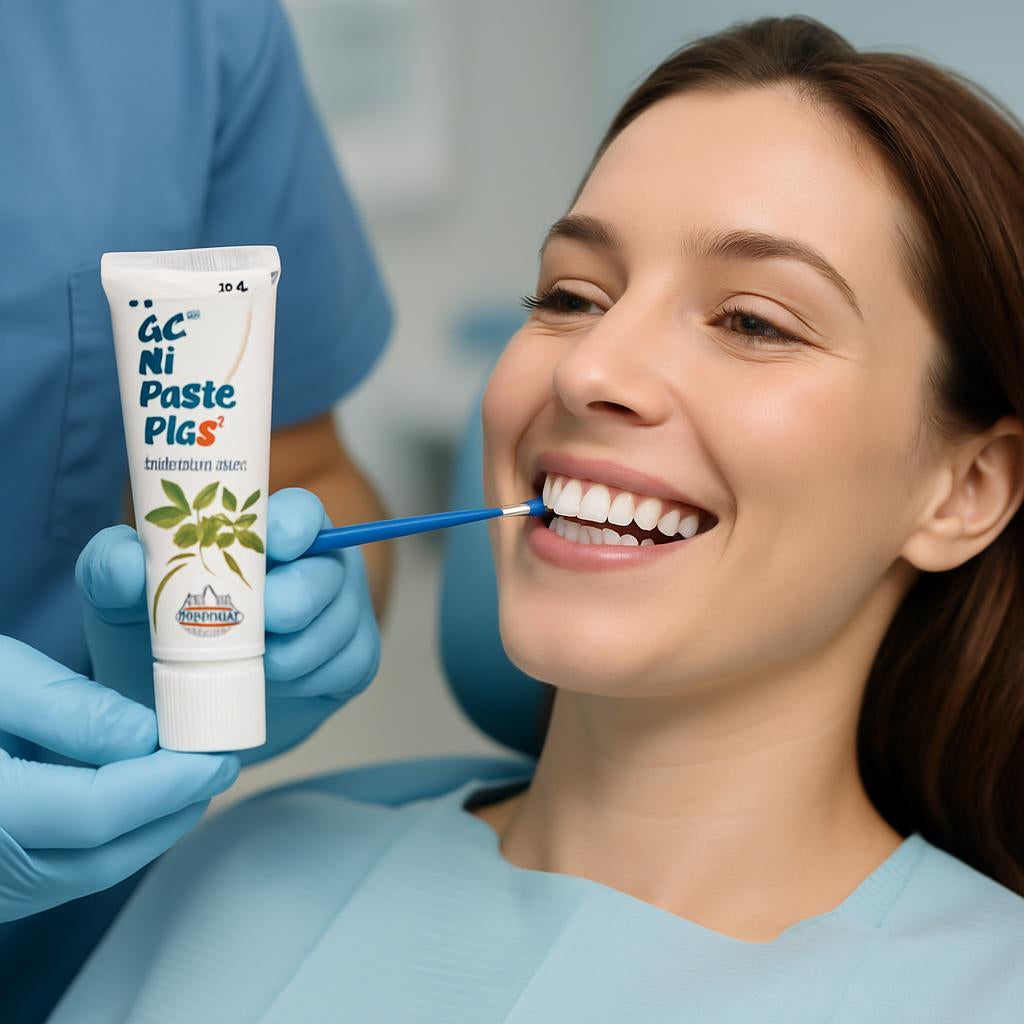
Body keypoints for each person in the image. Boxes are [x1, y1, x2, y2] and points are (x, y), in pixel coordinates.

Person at [45, 16, 1024, 1022]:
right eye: (571, 294)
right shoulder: (241, 877)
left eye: (752, 321)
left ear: (968, 489)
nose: (589, 368)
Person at [0, 1, 393, 1020]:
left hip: (89, 944)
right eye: (571, 297)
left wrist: (293, 628)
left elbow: (307, 466)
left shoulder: (187, 26)